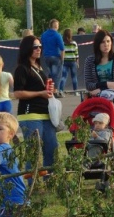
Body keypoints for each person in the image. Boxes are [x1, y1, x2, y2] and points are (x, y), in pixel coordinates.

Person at [83, 29, 114, 169]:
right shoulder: (90, 61)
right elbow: (89, 85)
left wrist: (101, 89)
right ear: (97, 44)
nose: (106, 44)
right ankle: (102, 171)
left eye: (108, 41)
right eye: (103, 42)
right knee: (98, 139)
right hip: (97, 108)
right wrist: (107, 84)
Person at [13, 35, 58, 173]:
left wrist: (50, 90)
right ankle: (33, 183)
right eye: (35, 47)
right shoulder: (22, 68)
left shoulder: (39, 67)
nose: (39, 49)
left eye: (40, 47)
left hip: (46, 113)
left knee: (52, 147)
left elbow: (40, 88)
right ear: (27, 49)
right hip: (30, 114)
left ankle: (50, 179)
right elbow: (18, 93)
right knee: (33, 150)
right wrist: (40, 93)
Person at [40, 19, 65, 97]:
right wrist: (62, 59)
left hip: (46, 57)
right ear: (56, 26)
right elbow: (62, 48)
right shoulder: (57, 35)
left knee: (50, 74)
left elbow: (42, 45)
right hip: (56, 57)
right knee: (57, 75)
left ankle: (49, 89)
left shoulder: (43, 35)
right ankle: (55, 91)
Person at [60, 28, 79, 93]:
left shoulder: (62, 43)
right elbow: (76, 54)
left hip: (65, 61)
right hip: (73, 61)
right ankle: (75, 91)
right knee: (74, 77)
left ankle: (61, 90)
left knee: (63, 76)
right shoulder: (74, 43)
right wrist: (77, 62)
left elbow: (61, 52)